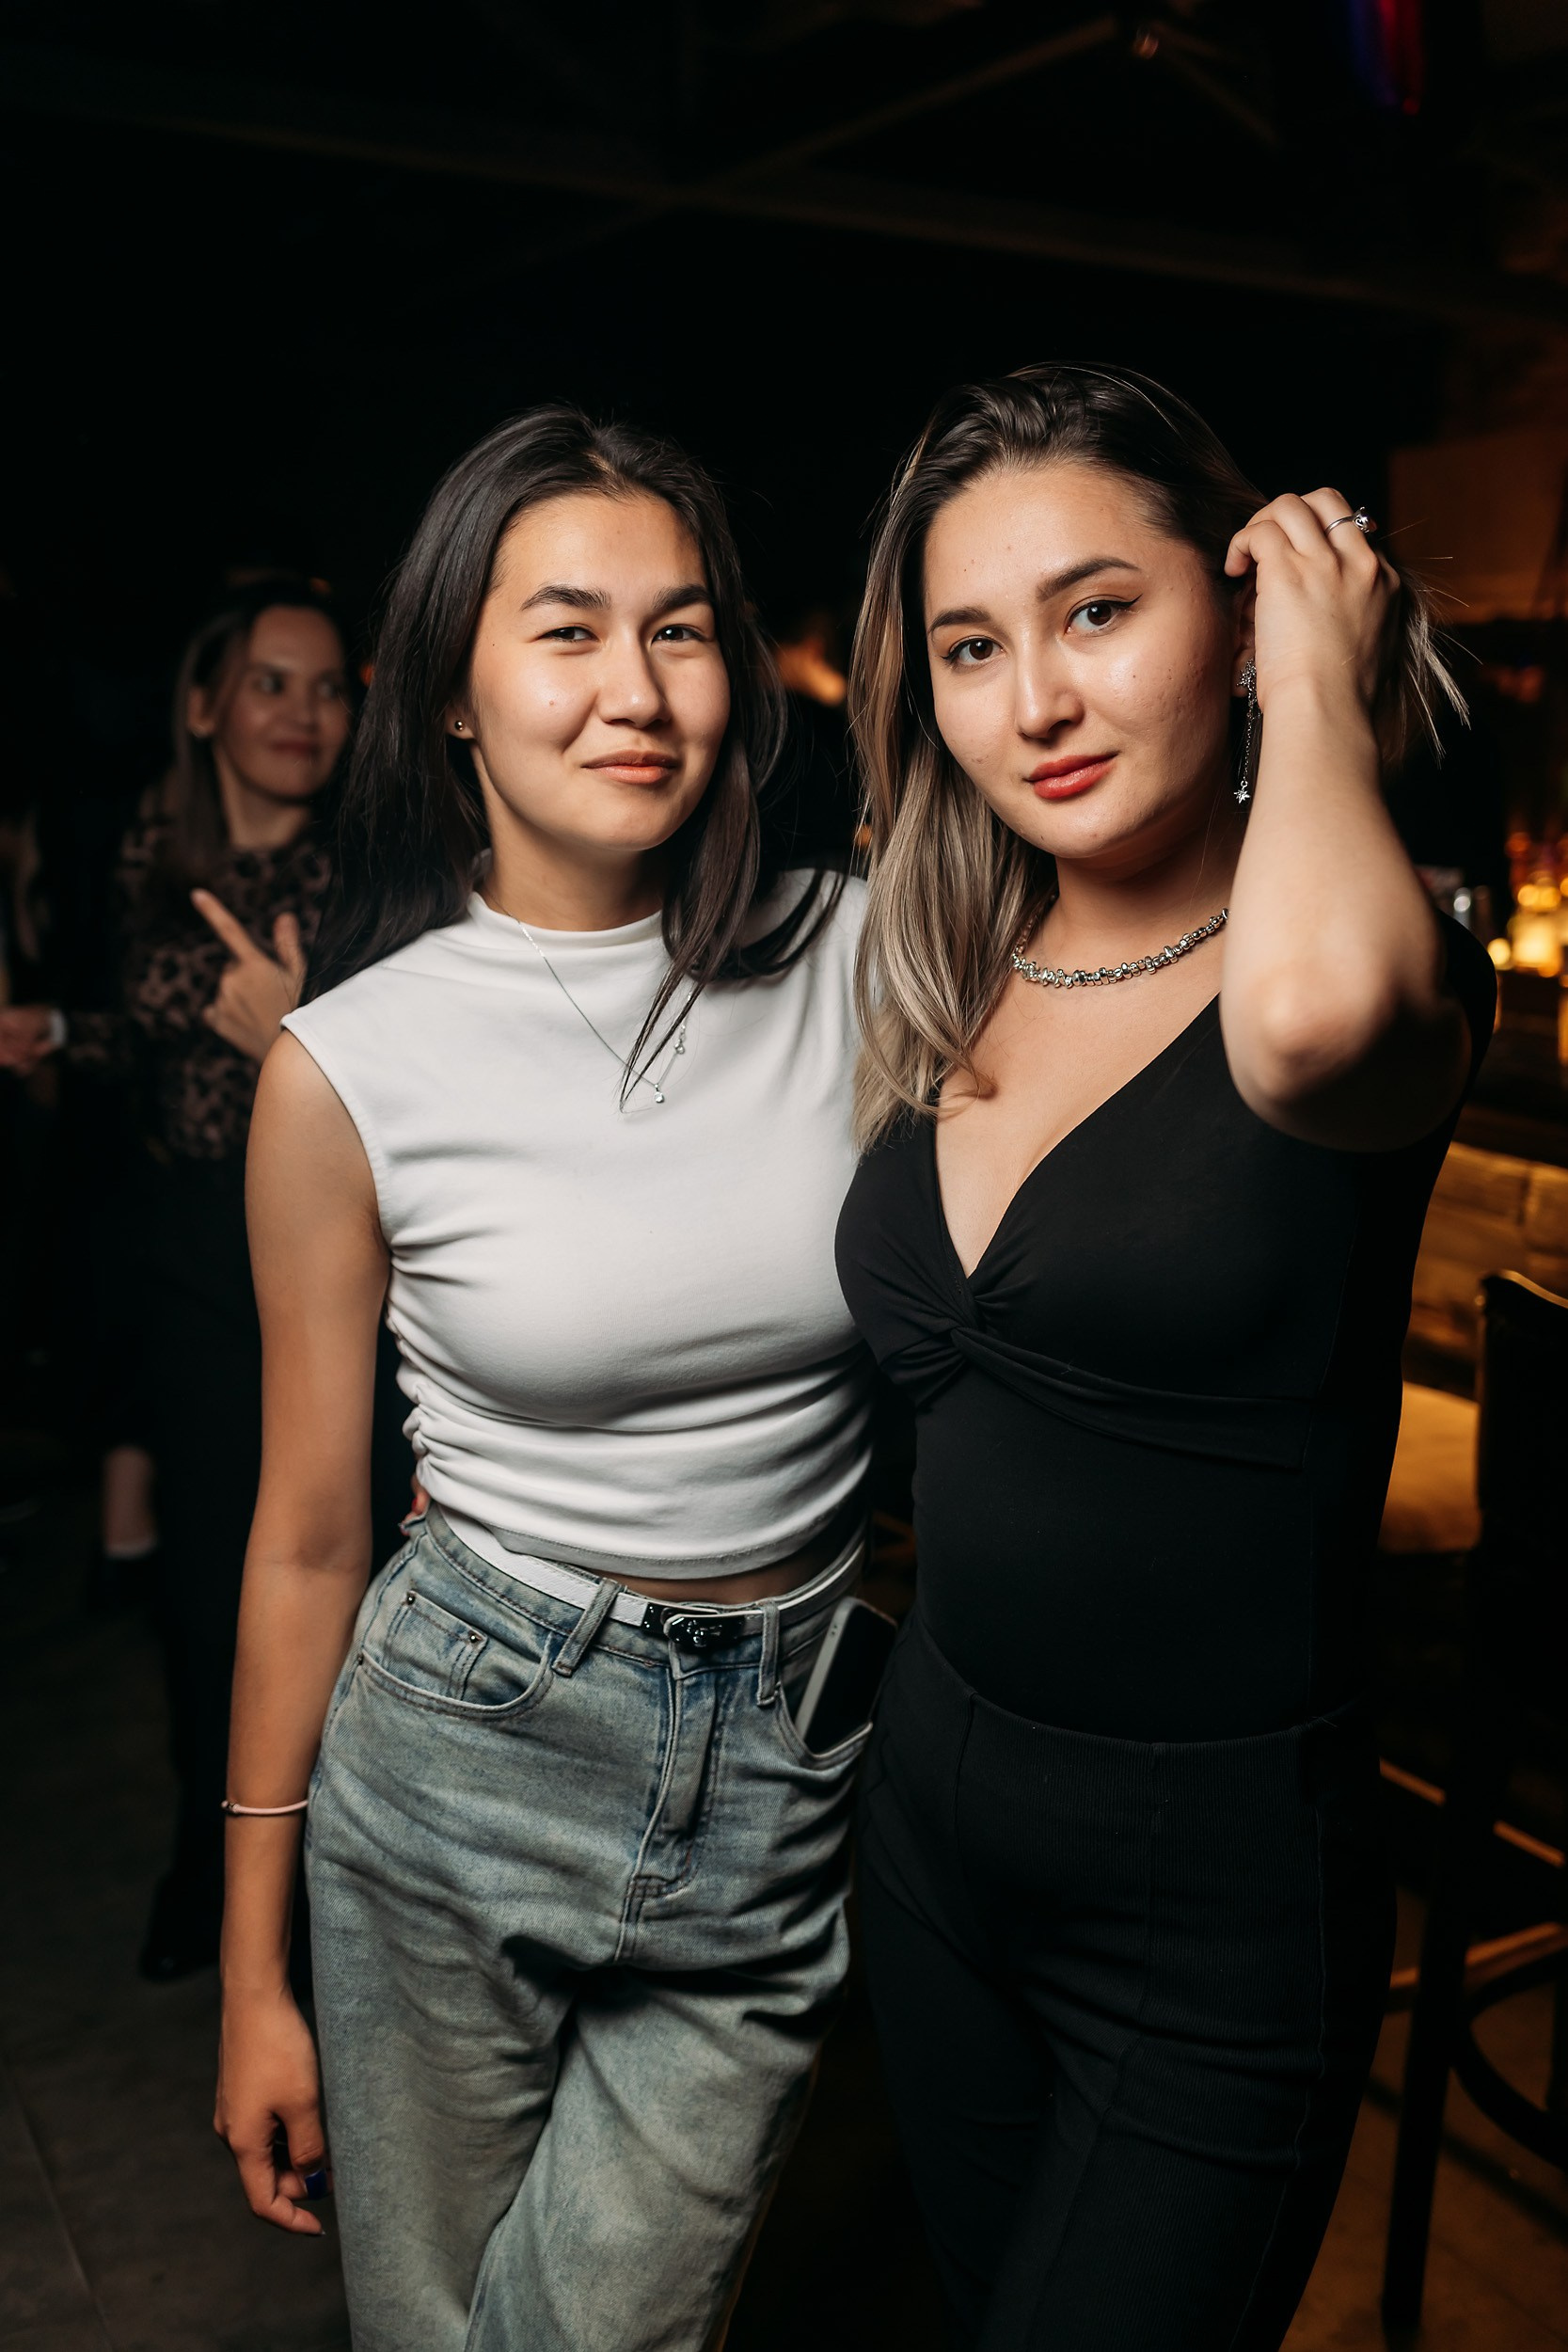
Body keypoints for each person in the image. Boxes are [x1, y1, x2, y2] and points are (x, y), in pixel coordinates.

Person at [834, 365, 1497, 2352]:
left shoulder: (1372, 964)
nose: (1035, 699)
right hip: (928, 1818)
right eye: (973, 645)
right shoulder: (950, 959)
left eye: (1100, 610)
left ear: (1238, 605)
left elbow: (1298, 1026)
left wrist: (1320, 683)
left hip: (1210, 1904)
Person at [214, 408, 875, 2352]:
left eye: (680, 628)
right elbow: (307, 1536)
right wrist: (254, 1978)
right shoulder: (348, 1068)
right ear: (451, 692)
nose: (636, 689)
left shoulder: (859, 952)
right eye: (567, 629)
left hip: (788, 1760)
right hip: (467, 1742)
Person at [0, 576, 359, 1977]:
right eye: (271, 682)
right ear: (205, 705)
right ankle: (211, 1867)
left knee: (330, 1584)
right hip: (188, 1254)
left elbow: (399, 1093)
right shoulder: (151, 849)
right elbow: (155, 1035)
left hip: (330, 1255)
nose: (303, 713)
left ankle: (324, 1902)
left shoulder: (366, 871)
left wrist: (298, 1036)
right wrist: (59, 1032)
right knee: (205, 1593)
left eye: (328, 688)